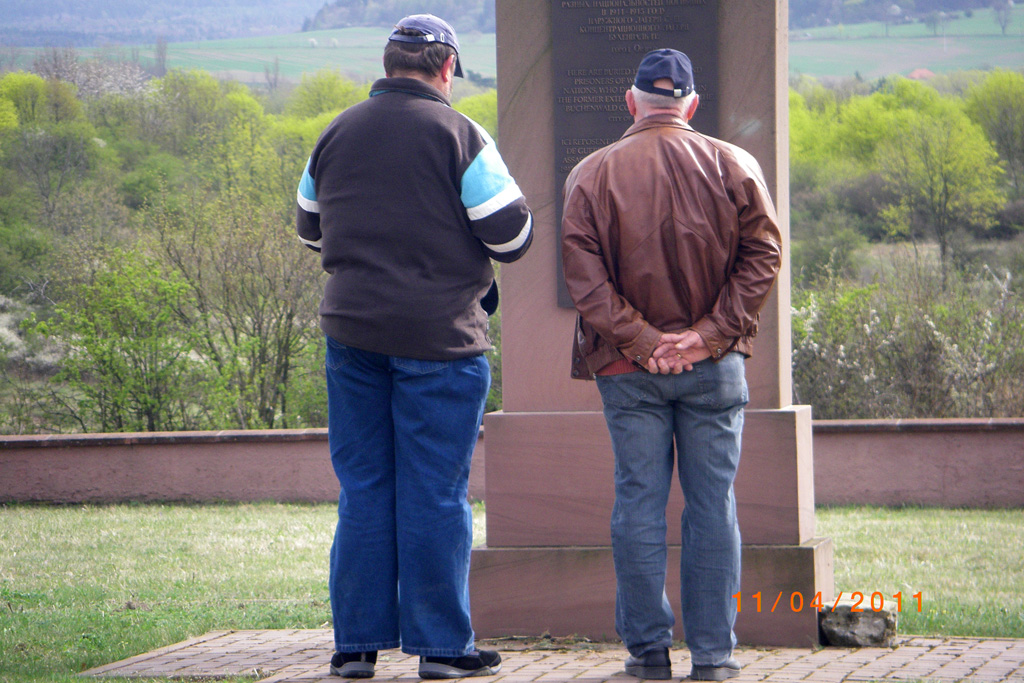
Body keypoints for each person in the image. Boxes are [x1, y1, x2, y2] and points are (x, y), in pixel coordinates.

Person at [295, 14, 533, 680]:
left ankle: (355, 647)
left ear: (388, 64)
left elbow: (310, 229)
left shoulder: (336, 131)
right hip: (440, 338)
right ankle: (441, 649)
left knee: (364, 487)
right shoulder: (461, 134)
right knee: (435, 492)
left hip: (352, 336)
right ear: (447, 67)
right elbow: (512, 237)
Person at [560, 49, 782, 681]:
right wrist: (705, 337)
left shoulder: (590, 173)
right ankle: (714, 657)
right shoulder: (734, 163)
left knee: (637, 503)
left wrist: (642, 342)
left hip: (629, 373)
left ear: (631, 102)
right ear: (691, 104)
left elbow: (584, 278)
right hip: (714, 367)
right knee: (714, 506)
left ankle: (648, 653)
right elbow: (763, 257)